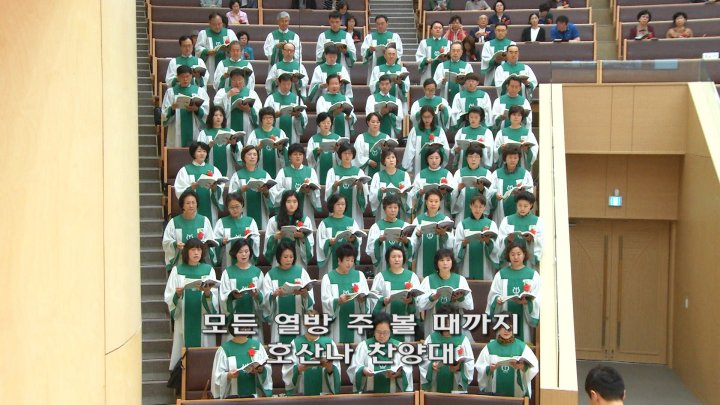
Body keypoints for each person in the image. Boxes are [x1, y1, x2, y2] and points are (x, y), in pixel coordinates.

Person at [164, 239, 219, 370]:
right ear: (186, 252)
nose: (196, 253)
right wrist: (177, 294)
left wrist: (207, 293)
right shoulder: (177, 270)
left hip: (203, 318)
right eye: (193, 249)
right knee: (183, 350)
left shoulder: (208, 270)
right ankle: (182, 379)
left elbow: (215, 297)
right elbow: (169, 296)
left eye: (199, 249)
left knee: (204, 357)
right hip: (184, 317)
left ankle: (204, 377)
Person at [260, 241, 315, 344]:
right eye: (285, 257)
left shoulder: (301, 272)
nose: (288, 259)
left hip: (297, 317)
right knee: (280, 349)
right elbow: (265, 298)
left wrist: (304, 294)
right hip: (279, 318)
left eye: (291, 256)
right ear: (279, 257)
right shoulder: (271, 275)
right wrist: (274, 295)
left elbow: (310, 298)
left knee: (297, 348)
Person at [486, 241, 540, 343]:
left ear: (524, 254)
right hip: (505, 315)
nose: (516, 257)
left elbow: (538, 298)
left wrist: (527, 302)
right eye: (512, 254)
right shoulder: (501, 274)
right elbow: (493, 295)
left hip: (524, 318)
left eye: (519, 254)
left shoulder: (532, 275)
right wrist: (497, 300)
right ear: (508, 255)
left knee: (522, 345)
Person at [475, 311, 539, 396]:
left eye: (510, 327)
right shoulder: (489, 348)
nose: (506, 330)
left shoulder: (522, 347)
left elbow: (534, 368)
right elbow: (480, 367)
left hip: (517, 396)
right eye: (503, 327)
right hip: (494, 395)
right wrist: (489, 369)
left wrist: (523, 367)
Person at [347, 312, 413, 393]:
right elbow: (354, 368)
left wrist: (399, 373)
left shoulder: (399, 347)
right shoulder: (363, 346)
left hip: (393, 396)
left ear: (391, 331)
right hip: (368, 396)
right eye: (378, 332)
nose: (382, 336)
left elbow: (408, 370)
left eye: (385, 332)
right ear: (373, 330)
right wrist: (363, 370)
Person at [282, 309, 341, 395]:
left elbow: (336, 370)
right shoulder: (294, 343)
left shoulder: (329, 343)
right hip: (302, 391)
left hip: (324, 393)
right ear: (304, 322)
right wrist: (299, 368)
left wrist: (329, 367)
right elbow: (287, 371)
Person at [416, 249, 473, 337]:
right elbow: (419, 303)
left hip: (454, 321)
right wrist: (432, 298)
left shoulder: (460, 279)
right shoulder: (428, 280)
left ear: (452, 262)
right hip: (433, 320)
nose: (445, 263)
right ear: (437, 263)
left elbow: (469, 305)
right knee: (434, 343)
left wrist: (460, 298)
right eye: (441, 260)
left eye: (448, 260)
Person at [217, 238, 265, 342]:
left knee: (253, 348)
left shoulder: (257, 272)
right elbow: (223, 296)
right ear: (235, 253)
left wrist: (257, 295)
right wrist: (232, 296)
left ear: (250, 252)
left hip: (253, 317)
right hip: (234, 319)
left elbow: (264, 296)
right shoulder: (228, 272)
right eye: (240, 252)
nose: (244, 254)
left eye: (246, 251)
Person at [321, 243, 370, 343]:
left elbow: (366, 297)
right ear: (339, 260)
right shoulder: (328, 278)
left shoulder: (359, 275)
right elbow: (325, 301)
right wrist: (338, 301)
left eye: (352, 260)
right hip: (337, 322)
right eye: (347, 260)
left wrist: (362, 300)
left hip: (356, 319)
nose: (349, 263)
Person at [369, 246, 420, 341]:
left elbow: (418, 298)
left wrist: (411, 301)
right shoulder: (381, 276)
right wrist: (383, 301)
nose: (397, 259)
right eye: (393, 257)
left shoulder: (412, 276)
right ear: (388, 259)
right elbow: (373, 297)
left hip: (405, 320)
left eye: (399, 256)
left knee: (405, 346)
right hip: (386, 319)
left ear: (403, 258)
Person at [420, 306, 475, 392]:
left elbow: (470, 363)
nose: (448, 324)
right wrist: (431, 366)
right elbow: (423, 361)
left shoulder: (463, 340)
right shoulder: (431, 338)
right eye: (445, 322)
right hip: (435, 386)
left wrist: (459, 368)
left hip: (455, 386)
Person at [211, 323, 272, 398]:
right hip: (232, 398)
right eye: (242, 327)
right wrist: (228, 375)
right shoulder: (224, 349)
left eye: (247, 326)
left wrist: (261, 370)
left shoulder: (258, 346)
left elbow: (267, 370)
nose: (245, 329)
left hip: (255, 397)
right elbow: (217, 377)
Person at [162, 190, 214, 271]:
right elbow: (166, 242)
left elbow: (210, 240)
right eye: (188, 203)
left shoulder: (204, 221)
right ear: (182, 205)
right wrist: (175, 244)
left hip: (200, 264)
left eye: (193, 202)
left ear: (197, 204)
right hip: (180, 264)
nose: (191, 205)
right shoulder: (174, 222)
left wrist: (205, 244)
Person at [174, 142, 225, 224]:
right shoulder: (185, 170)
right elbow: (179, 191)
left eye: (204, 151)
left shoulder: (213, 169)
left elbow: (220, 188)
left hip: (210, 207)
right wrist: (192, 187)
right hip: (192, 208)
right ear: (193, 153)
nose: (202, 154)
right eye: (199, 151)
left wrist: (215, 189)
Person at [263, 190, 316, 270]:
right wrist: (274, 237)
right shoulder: (273, 221)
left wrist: (302, 238)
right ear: (283, 203)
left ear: (298, 203)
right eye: (288, 202)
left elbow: (310, 242)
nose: (292, 204)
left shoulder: (305, 220)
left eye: (295, 202)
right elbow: (267, 240)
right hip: (279, 259)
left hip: (298, 258)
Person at [410, 190, 456, 279]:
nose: (433, 204)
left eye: (436, 201)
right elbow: (412, 244)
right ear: (426, 202)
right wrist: (418, 235)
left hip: (441, 258)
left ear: (440, 203)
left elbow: (451, 244)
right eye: (431, 201)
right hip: (422, 258)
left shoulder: (445, 219)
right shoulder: (418, 220)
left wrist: (443, 234)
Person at [161, 65, 210, 148]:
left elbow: (206, 110)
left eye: (187, 76)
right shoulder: (171, 92)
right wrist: (172, 109)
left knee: (194, 150)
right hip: (176, 128)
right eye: (182, 77)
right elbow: (164, 113)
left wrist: (197, 109)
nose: (185, 79)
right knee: (177, 151)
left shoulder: (199, 91)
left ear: (191, 76)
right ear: (177, 77)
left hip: (194, 127)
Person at [317, 194, 363, 278]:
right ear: (332, 205)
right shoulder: (325, 223)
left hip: (347, 257)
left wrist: (353, 240)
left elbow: (358, 241)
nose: (340, 207)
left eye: (343, 204)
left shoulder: (351, 222)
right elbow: (320, 242)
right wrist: (329, 242)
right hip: (330, 260)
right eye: (338, 204)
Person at [495, 191, 544, 270]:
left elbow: (540, 242)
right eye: (520, 205)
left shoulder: (538, 221)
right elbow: (500, 240)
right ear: (516, 204)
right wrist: (507, 240)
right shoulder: (507, 220)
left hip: (529, 264)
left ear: (531, 205)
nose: (522, 208)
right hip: (510, 262)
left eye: (525, 206)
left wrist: (530, 240)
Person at [228, 145, 274, 229]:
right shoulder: (237, 175)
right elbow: (230, 196)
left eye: (255, 154)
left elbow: (273, 196)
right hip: (244, 212)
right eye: (249, 154)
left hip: (261, 212)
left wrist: (266, 192)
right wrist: (241, 190)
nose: (252, 157)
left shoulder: (265, 175)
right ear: (243, 157)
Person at [325, 143, 370, 227]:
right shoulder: (332, 172)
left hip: (354, 212)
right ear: (340, 155)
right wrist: (334, 186)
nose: (347, 156)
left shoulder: (359, 172)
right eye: (345, 153)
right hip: (337, 212)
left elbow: (364, 195)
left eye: (350, 153)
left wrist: (360, 187)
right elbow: (327, 193)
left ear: (353, 155)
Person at [366, 195, 415, 273]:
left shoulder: (405, 226)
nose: (393, 210)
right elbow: (370, 248)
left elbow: (413, 246)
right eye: (390, 207)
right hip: (383, 266)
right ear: (384, 209)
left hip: (401, 266)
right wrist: (379, 241)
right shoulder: (376, 227)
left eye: (395, 207)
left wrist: (406, 242)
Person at [272, 143, 322, 218]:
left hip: (306, 209)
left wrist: (309, 191)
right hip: (287, 211)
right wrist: (291, 192)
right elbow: (276, 191)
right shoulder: (283, 172)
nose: (298, 156)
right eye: (295, 154)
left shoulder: (311, 171)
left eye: (300, 154)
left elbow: (316, 192)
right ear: (289, 156)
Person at [454, 194, 498, 280]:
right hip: (467, 263)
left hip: (485, 265)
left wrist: (488, 242)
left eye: (480, 207)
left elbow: (497, 247)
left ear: (484, 207)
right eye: (475, 206)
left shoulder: (491, 224)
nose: (477, 210)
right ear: (470, 206)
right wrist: (463, 244)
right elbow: (456, 245)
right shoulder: (462, 224)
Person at [212, 70, 261, 142]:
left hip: (246, 128)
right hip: (227, 125)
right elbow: (217, 109)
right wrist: (227, 95)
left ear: (244, 80)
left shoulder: (251, 93)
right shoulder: (222, 92)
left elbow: (259, 111)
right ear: (230, 80)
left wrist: (249, 110)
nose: (237, 83)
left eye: (240, 80)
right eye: (234, 80)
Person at [213, 193, 260, 267]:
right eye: (231, 207)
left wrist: (251, 240)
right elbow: (214, 241)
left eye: (237, 206)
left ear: (242, 205)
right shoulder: (221, 222)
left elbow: (256, 241)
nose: (234, 210)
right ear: (227, 208)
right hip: (228, 262)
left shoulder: (250, 221)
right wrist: (222, 241)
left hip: (246, 261)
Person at [452, 145, 496, 222]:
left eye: (476, 157)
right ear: (466, 158)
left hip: (480, 212)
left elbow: (491, 195)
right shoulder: (459, 173)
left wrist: (482, 190)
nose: (473, 159)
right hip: (462, 212)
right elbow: (452, 193)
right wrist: (458, 189)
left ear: (480, 158)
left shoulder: (487, 173)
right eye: (470, 156)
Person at [402, 105, 451, 176]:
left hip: (435, 164)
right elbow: (409, 150)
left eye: (429, 117)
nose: (426, 119)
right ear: (421, 117)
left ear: (433, 116)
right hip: (419, 165)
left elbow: (446, 149)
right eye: (424, 117)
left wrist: (439, 148)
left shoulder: (439, 131)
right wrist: (407, 167)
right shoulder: (415, 130)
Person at [408, 147, 456, 217]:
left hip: (442, 211)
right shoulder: (421, 174)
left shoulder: (447, 174)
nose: (434, 160)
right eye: (431, 158)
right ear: (427, 159)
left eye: (437, 158)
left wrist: (447, 193)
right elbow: (412, 194)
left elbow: (454, 194)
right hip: (423, 211)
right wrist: (419, 193)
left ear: (441, 159)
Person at [492, 144, 534, 224]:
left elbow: (530, 193)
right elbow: (490, 192)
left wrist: (522, 193)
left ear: (518, 159)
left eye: (515, 158)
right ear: (505, 158)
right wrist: (495, 195)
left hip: (520, 211)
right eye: (510, 157)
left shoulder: (525, 174)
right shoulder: (496, 174)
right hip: (501, 212)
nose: (513, 160)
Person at [197, 106, 241, 178]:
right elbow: (198, 152)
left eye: (221, 115)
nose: (218, 117)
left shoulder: (231, 132)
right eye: (216, 115)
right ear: (211, 117)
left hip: (228, 168)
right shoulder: (204, 133)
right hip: (210, 168)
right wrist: (208, 147)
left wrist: (233, 145)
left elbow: (239, 154)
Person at [264, 73, 308, 145]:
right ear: (279, 83)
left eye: (288, 84)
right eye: (284, 84)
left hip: (292, 133)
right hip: (275, 133)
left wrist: (298, 115)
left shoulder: (297, 99)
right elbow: (264, 115)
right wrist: (274, 115)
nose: (286, 87)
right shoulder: (271, 98)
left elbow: (304, 118)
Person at [369, 151, 413, 221]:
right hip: (382, 213)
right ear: (384, 161)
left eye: (393, 157)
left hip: (400, 212)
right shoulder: (377, 176)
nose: (391, 160)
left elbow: (410, 194)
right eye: (388, 158)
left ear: (396, 159)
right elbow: (372, 195)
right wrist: (380, 191)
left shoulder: (404, 175)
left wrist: (404, 194)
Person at [361, 15, 404, 82]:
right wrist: (369, 51)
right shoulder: (370, 37)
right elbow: (364, 52)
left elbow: (399, 51)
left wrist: (389, 52)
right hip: (375, 65)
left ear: (387, 23)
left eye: (382, 23)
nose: (380, 26)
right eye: (378, 24)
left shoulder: (394, 36)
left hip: (391, 66)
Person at [195, 13, 239, 80]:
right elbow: (198, 48)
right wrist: (207, 51)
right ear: (209, 23)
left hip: (226, 62)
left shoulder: (229, 33)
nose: (217, 26)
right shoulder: (204, 33)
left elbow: (237, 47)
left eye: (219, 24)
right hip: (210, 64)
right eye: (214, 24)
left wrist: (228, 49)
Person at [494, 105, 538, 170]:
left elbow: (534, 150)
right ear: (509, 116)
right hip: (505, 166)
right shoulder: (501, 133)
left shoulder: (528, 133)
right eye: (514, 114)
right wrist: (501, 148)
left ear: (522, 117)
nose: (516, 117)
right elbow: (495, 150)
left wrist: (527, 150)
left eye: (519, 115)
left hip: (522, 166)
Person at [315, 74, 356, 138]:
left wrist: (349, 117)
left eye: (336, 84)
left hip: (344, 130)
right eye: (332, 84)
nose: (334, 86)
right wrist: (334, 113)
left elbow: (352, 114)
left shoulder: (345, 98)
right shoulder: (322, 99)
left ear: (340, 84)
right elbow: (321, 117)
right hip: (328, 133)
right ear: (327, 85)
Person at [306, 112, 342, 186]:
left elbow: (343, 157)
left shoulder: (337, 138)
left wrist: (338, 150)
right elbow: (309, 158)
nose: (326, 125)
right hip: (319, 170)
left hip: (334, 168)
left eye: (328, 122)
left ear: (331, 123)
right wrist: (316, 152)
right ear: (319, 124)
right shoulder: (313, 139)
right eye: (323, 123)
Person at [353, 113, 392, 179]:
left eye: (378, 122)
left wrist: (385, 150)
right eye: (373, 122)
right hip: (366, 171)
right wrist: (368, 161)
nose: (375, 124)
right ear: (368, 122)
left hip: (382, 169)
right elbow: (357, 155)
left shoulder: (386, 137)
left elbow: (390, 155)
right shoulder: (361, 138)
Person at [434, 41, 474, 105]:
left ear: (461, 52)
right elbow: (435, 84)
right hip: (445, 97)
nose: (455, 53)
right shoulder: (441, 66)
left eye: (458, 51)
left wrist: (462, 82)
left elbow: (471, 84)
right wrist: (442, 82)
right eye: (453, 50)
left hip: (462, 99)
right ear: (450, 52)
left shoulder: (467, 66)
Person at [365, 74, 404, 139]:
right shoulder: (371, 98)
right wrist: (381, 113)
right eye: (382, 84)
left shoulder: (397, 101)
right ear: (379, 85)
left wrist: (390, 113)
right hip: (376, 130)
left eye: (387, 84)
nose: (384, 86)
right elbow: (369, 115)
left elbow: (400, 117)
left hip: (391, 129)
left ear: (391, 85)